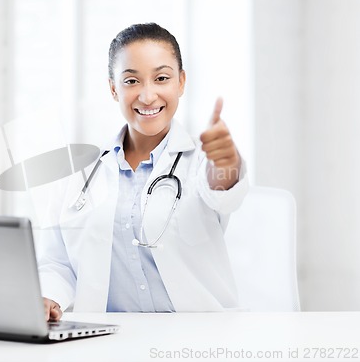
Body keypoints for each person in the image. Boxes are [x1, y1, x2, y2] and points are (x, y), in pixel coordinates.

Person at [37, 23, 249, 321]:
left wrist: (226, 161)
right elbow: (57, 262)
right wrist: (49, 297)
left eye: (161, 78)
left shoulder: (201, 160)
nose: (147, 96)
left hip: (197, 338)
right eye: (131, 81)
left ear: (181, 82)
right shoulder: (78, 173)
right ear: (113, 88)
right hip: (108, 339)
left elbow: (223, 194)